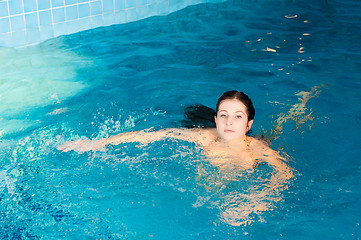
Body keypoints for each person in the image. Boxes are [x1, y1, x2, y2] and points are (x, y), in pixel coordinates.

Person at [58, 90, 290, 172]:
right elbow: (151, 135)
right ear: (216, 120)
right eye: (223, 116)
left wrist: (261, 200)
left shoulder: (258, 149)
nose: (229, 122)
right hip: (206, 135)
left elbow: (284, 174)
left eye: (238, 117)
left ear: (248, 125)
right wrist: (97, 143)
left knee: (279, 128)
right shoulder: (204, 137)